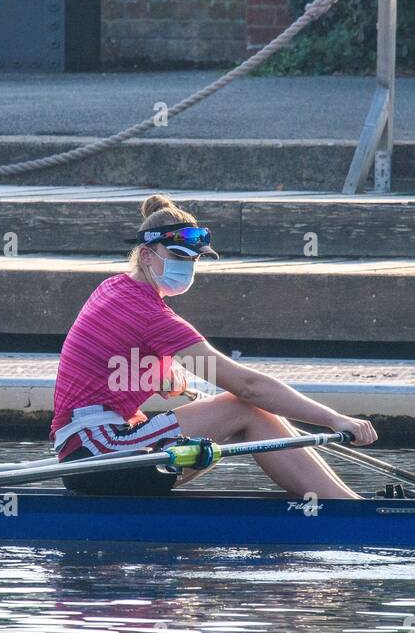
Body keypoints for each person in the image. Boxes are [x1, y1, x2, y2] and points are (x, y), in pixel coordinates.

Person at [51, 194, 377, 498]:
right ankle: (351, 512)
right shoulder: (149, 313)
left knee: (244, 418)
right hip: (97, 453)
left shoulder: (116, 288)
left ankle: (346, 504)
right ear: (147, 255)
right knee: (243, 407)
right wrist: (334, 419)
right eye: (179, 256)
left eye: (195, 259)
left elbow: (108, 363)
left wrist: (155, 374)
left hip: (97, 444)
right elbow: (249, 386)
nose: (188, 266)